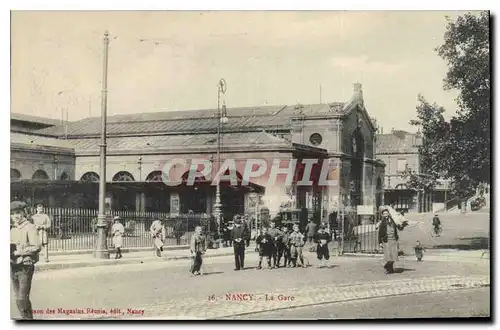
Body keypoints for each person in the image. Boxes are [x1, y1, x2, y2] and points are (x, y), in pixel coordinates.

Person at [10, 201, 41, 320]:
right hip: (13, 266)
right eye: (12, 214)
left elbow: (36, 246)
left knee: (23, 299)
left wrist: (19, 252)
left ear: (23, 213)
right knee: (18, 299)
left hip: (25, 266)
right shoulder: (12, 228)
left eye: (18, 213)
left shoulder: (30, 227)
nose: (15, 216)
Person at [378, 207, 407, 274]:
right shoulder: (382, 222)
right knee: (389, 256)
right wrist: (380, 242)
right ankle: (388, 268)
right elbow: (380, 233)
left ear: (389, 213)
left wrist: (403, 225)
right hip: (386, 240)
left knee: (394, 256)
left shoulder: (393, 220)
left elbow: (399, 227)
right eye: (384, 214)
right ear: (382, 215)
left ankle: (389, 269)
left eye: (386, 213)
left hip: (393, 240)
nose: (385, 215)